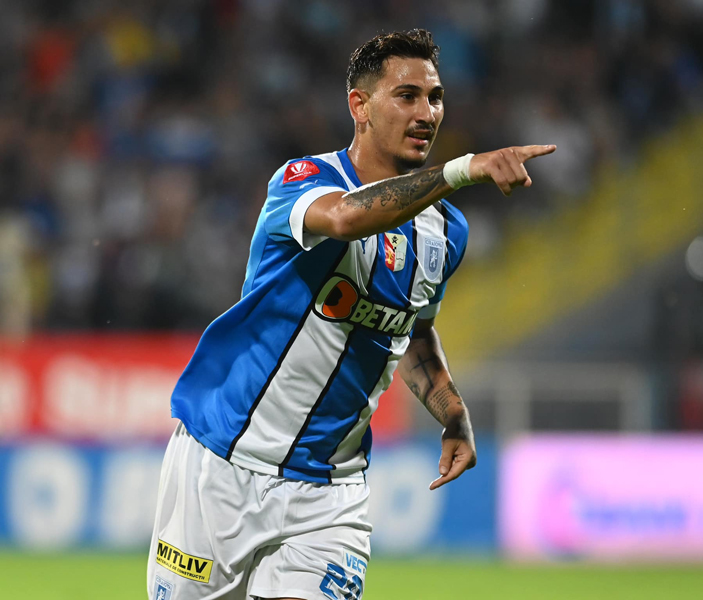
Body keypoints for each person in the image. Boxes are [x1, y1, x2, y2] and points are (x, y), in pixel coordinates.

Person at [147, 28, 555, 600]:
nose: (426, 113)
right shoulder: (303, 181)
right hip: (223, 464)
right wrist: (462, 169)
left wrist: (452, 411)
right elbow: (344, 219)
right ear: (359, 106)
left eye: (435, 98)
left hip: (329, 492)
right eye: (407, 96)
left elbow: (412, 331)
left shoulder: (446, 231)